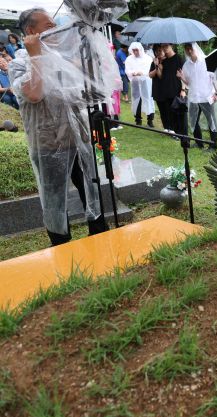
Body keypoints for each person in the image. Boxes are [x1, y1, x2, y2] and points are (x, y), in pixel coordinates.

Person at [9, 8, 108, 246]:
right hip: (48, 145)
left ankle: (100, 235)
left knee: (91, 190)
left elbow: (88, 91)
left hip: (77, 139)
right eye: (49, 26)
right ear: (31, 32)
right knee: (54, 201)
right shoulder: (19, 63)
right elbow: (34, 93)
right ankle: (61, 247)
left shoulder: (61, 57)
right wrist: (35, 56)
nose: (57, 29)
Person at [178, 42, 217, 150]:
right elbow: (188, 83)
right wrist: (181, 77)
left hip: (206, 96)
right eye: (186, 49)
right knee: (193, 120)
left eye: (190, 48)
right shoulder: (186, 65)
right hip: (194, 98)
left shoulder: (206, 61)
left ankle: (213, 145)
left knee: (211, 121)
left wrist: (216, 93)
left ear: (195, 48)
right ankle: (199, 142)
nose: (189, 51)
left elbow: (215, 78)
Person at [149, 43, 184, 132]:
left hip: (171, 89)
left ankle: (174, 129)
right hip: (159, 89)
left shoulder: (175, 59)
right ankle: (167, 127)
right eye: (157, 51)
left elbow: (182, 74)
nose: (159, 52)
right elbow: (152, 75)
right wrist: (157, 67)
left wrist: (183, 89)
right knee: (163, 110)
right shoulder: (155, 62)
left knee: (172, 110)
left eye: (160, 50)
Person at [124, 42, 155, 127]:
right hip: (135, 83)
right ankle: (138, 119)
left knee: (148, 99)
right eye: (133, 50)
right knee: (136, 100)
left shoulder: (148, 58)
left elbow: (150, 70)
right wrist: (133, 73)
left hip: (146, 82)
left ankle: (150, 120)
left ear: (140, 50)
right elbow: (127, 70)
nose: (135, 52)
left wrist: (142, 73)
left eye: (137, 50)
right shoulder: (129, 59)